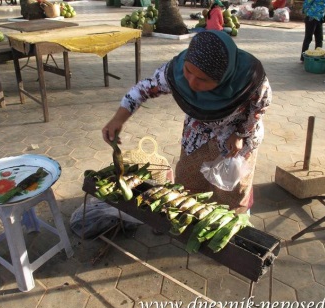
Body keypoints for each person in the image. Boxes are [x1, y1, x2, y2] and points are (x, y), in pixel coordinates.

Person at [102, 31, 272, 214]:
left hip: (235, 138)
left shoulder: (251, 80)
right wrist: (117, 119)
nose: (191, 82)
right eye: (188, 71)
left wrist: (240, 134)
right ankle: (187, 218)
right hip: (197, 133)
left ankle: (232, 225)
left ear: (224, 77)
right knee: (188, 181)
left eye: (203, 79)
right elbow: (141, 90)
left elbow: (260, 107)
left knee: (230, 191)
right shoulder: (173, 73)